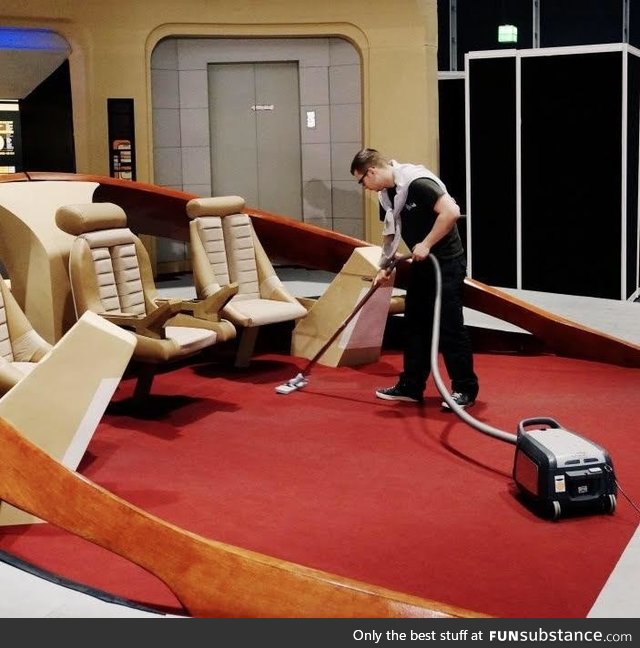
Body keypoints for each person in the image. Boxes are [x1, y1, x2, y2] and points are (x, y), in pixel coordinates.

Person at [350, 148, 479, 409]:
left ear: (371, 171)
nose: (364, 187)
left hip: (445, 262)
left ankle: (465, 389)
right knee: (415, 324)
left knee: (449, 326)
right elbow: (390, 233)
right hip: (422, 265)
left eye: (362, 180)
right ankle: (411, 386)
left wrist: (427, 243)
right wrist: (385, 266)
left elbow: (451, 212)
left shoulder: (417, 183)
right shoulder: (386, 195)